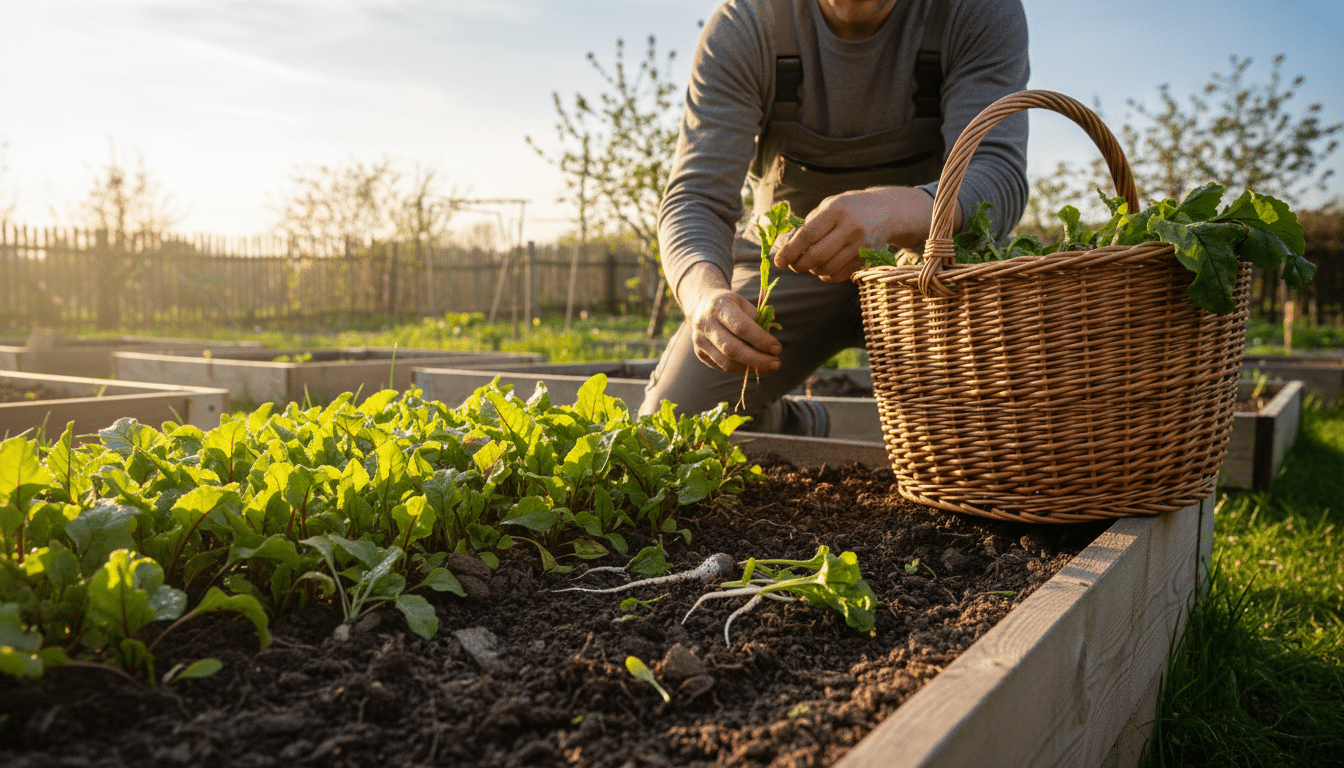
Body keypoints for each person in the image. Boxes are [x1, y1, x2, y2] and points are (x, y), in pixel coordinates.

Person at [639, 0, 1029, 435]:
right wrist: (704, 298)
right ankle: (796, 426)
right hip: (788, 267)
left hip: (927, 270)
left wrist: (888, 213)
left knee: (1006, 431)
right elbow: (696, 195)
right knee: (673, 426)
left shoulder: (973, 11)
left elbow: (996, 174)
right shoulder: (750, 22)